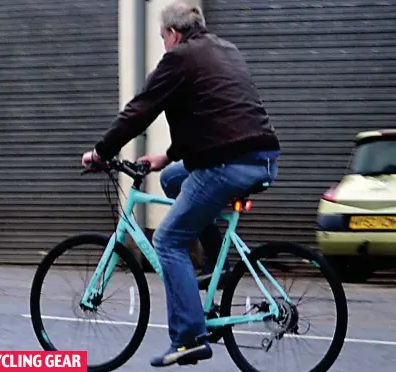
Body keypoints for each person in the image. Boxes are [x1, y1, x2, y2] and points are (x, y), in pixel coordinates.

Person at [82, 1, 280, 367]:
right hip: (262, 158)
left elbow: (139, 110)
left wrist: (100, 151)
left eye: (161, 37)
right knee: (173, 179)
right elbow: (215, 117)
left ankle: (189, 338)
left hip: (227, 166)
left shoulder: (179, 58)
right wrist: (167, 157)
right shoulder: (225, 49)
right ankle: (214, 265)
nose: (162, 45)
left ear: (173, 34)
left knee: (167, 240)